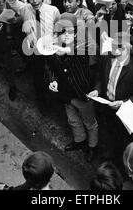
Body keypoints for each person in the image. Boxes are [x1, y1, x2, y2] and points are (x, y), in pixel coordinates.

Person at [87, 33, 133, 165]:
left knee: (120, 138)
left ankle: (118, 162)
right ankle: (106, 158)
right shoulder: (106, 59)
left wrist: (123, 103)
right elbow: (100, 78)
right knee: (106, 133)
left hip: (122, 112)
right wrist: (97, 90)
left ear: (127, 47)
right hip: (105, 106)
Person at [46, 13, 98, 161]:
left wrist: (67, 50)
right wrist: (52, 80)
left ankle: (93, 146)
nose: (66, 34)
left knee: (90, 123)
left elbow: (88, 48)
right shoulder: (56, 43)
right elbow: (49, 65)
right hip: (66, 93)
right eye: (63, 31)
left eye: (69, 31)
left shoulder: (82, 44)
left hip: (82, 92)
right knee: (73, 120)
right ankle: (79, 141)